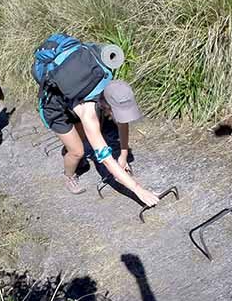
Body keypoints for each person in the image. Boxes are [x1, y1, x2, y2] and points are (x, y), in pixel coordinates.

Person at [34, 34, 158, 207]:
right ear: (107, 107)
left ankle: (71, 142)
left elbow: (122, 123)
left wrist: (122, 156)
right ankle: (69, 176)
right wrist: (138, 189)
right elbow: (106, 158)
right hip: (54, 108)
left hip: (71, 99)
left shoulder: (109, 80)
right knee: (78, 151)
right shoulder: (89, 115)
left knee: (85, 137)